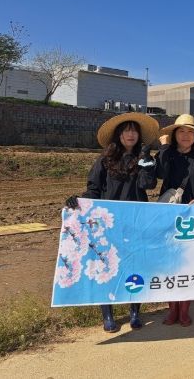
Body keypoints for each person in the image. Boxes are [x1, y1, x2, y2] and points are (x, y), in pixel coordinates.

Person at [65, 112, 159, 333]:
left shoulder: (144, 159)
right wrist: (79, 201)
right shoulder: (104, 160)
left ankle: (135, 311)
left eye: (134, 131)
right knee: (105, 265)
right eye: (126, 130)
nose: (130, 134)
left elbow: (148, 185)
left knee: (135, 266)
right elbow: (94, 188)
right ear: (118, 135)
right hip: (107, 223)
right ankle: (108, 315)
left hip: (136, 221)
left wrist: (146, 161)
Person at [156, 114, 194, 327]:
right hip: (169, 213)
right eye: (181, 131)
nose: (186, 135)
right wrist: (163, 148)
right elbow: (159, 174)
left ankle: (184, 309)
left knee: (188, 261)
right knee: (170, 261)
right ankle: (172, 308)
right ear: (174, 134)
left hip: (192, 214)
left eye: (190, 132)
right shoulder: (167, 154)